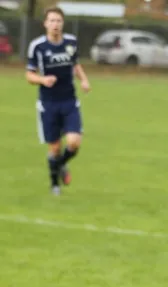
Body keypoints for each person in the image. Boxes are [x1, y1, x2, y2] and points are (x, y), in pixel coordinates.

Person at [25, 6, 91, 196]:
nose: (55, 24)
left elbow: (76, 64)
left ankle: (59, 165)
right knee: (54, 147)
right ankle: (55, 184)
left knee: (74, 142)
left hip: (69, 101)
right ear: (45, 23)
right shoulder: (37, 46)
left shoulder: (71, 42)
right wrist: (42, 80)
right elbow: (29, 75)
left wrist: (84, 80)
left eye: (58, 21)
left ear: (63, 23)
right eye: (52, 21)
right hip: (48, 103)